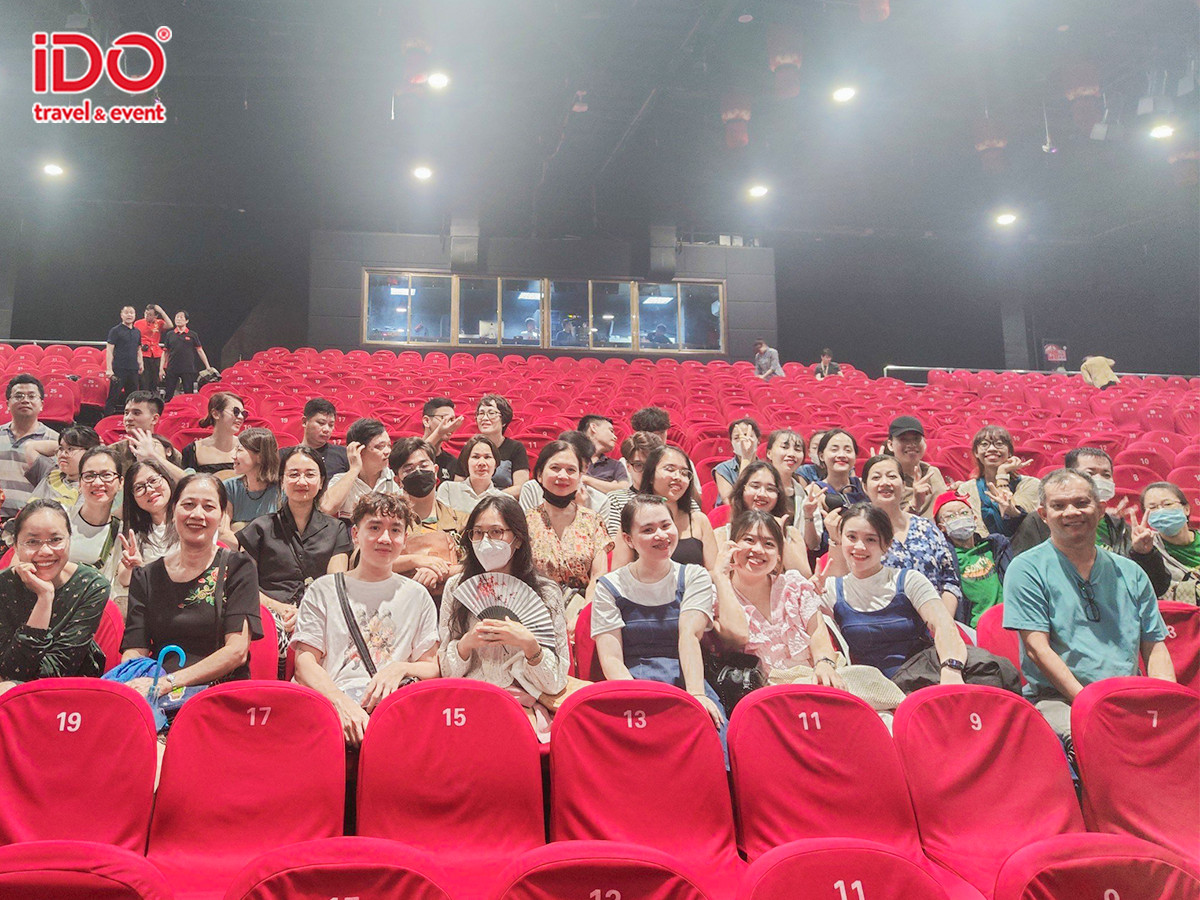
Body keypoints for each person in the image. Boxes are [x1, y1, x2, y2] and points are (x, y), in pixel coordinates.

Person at [1002, 469, 1173, 744]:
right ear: (1043, 515)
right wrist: (1089, 702)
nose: (1071, 512)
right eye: (1059, 506)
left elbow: (1154, 646)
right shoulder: (1026, 569)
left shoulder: (1131, 572)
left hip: (1129, 694)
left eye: (1081, 503)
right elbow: (1037, 649)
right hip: (1062, 698)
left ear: (1101, 510)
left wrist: (1167, 701)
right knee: (1098, 742)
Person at [291, 492, 440, 747]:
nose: (385, 538)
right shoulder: (323, 589)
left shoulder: (417, 595)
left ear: (405, 539)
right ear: (355, 534)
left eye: (395, 530)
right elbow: (305, 663)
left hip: (393, 711)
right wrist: (339, 702)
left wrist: (400, 668)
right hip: (332, 707)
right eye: (374, 527)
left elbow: (431, 666)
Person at [592, 495, 737, 732]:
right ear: (628, 539)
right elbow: (611, 659)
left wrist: (696, 695)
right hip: (633, 687)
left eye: (666, 525)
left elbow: (689, 635)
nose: (661, 535)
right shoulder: (610, 586)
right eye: (648, 530)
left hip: (688, 678)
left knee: (713, 738)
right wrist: (641, 700)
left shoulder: (694, 576)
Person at [120, 474, 263, 698]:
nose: (197, 514)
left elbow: (236, 651)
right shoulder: (145, 576)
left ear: (222, 516)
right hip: (158, 695)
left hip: (218, 693)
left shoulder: (238, 567)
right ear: (173, 510)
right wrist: (134, 682)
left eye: (208, 507)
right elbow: (135, 650)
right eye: (188, 505)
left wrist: (170, 682)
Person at [439, 495, 569, 740]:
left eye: (496, 532)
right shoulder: (456, 587)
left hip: (522, 706)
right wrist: (466, 644)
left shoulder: (546, 592)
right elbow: (446, 672)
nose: (485, 541)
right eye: (478, 533)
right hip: (468, 703)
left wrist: (530, 646)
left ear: (517, 539)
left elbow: (555, 682)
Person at [237, 447, 352, 674]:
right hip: (269, 612)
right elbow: (244, 585)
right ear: (282, 481)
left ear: (321, 482)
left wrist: (305, 613)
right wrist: (279, 609)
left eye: (310, 474)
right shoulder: (259, 528)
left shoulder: (336, 529)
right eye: (293, 474)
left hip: (319, 612)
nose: (301, 481)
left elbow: (335, 584)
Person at [822, 503, 967, 680]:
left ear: (887, 545)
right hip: (867, 686)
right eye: (851, 537)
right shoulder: (831, 589)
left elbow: (943, 624)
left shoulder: (910, 580)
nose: (859, 546)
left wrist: (951, 670)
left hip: (924, 678)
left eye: (871, 539)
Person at [1009, 447, 1168, 595]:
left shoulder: (1121, 527)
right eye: (1090, 473)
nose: (1099, 480)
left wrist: (1144, 555)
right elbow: (1023, 580)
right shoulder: (1038, 522)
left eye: (1106, 475)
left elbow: (1155, 587)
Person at [717, 510, 840, 684]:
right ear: (732, 546)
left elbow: (817, 633)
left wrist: (824, 664)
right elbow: (738, 635)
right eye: (749, 540)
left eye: (768, 544)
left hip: (812, 681)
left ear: (779, 555)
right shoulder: (718, 595)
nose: (758, 550)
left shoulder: (794, 586)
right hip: (760, 691)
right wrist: (720, 576)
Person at [0, 501, 109, 692]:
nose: (45, 551)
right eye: (32, 541)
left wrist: (45, 598)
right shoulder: (4, 585)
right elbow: (11, 671)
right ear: (16, 546)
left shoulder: (91, 586)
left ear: (69, 540)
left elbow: (60, 668)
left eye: (55, 539)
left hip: (66, 692)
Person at [847, 455, 962, 620]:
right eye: (876, 478)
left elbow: (950, 582)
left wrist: (942, 623)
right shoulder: (857, 535)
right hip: (882, 625)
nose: (885, 482)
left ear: (903, 484)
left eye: (892, 476)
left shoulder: (927, 528)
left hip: (937, 622)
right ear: (865, 487)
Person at [524, 441, 611, 618]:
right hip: (535, 613)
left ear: (580, 476)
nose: (563, 475)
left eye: (571, 470)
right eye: (555, 468)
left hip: (583, 612)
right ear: (539, 474)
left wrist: (581, 616)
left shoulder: (592, 520)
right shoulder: (524, 521)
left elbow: (599, 576)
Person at [612, 444, 715, 569]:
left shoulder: (699, 520)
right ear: (650, 476)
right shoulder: (633, 519)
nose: (678, 477)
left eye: (684, 473)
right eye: (670, 469)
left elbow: (714, 572)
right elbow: (619, 573)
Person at [389, 438, 467, 599]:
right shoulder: (388, 522)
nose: (418, 472)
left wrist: (439, 571)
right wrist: (415, 561)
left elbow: (477, 564)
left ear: (435, 470)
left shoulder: (462, 520)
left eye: (424, 466)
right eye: (409, 469)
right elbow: (368, 561)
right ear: (398, 480)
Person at [931, 490, 1013, 628]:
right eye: (950, 516)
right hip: (976, 628)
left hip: (1010, 620)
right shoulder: (946, 560)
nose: (959, 518)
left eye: (964, 513)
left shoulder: (995, 546)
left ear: (974, 518)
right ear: (941, 528)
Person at [714, 461, 811, 576]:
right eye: (755, 486)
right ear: (742, 490)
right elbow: (716, 575)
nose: (762, 494)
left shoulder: (792, 534)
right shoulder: (722, 534)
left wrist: (780, 537)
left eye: (770, 489)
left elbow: (805, 577)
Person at [957, 425, 1037, 537]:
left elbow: (1013, 516)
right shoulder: (966, 489)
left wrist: (1002, 474)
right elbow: (975, 529)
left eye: (999, 444)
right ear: (976, 452)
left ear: (1010, 452)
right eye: (984, 444)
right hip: (984, 545)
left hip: (1024, 544)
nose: (991, 449)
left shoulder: (1031, 484)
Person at [114, 459, 176, 601]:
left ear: (167, 479)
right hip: (150, 600)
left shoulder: (188, 520)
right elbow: (123, 579)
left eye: (153, 480)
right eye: (139, 488)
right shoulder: (132, 532)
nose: (149, 490)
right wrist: (133, 567)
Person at [800, 429, 868, 557]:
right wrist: (808, 515)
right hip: (829, 557)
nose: (841, 455)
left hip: (864, 553)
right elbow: (812, 544)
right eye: (834, 449)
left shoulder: (865, 487)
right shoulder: (813, 491)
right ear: (821, 456)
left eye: (848, 450)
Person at [67, 447, 124, 596]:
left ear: (120, 482)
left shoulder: (122, 533)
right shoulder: (60, 517)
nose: (97, 482)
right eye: (89, 476)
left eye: (106, 475)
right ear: (80, 483)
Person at [0, 375, 58, 519]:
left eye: (32, 396)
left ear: (42, 404)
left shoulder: (57, 442)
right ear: (7, 404)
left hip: (33, 520)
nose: (25, 400)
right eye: (18, 396)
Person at [320, 418, 399, 518]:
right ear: (358, 450)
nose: (387, 451)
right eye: (380, 447)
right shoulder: (341, 480)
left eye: (389, 445)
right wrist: (354, 469)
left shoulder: (395, 478)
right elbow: (327, 508)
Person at [1140, 482, 1200, 604]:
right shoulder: (1148, 549)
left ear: (1186, 509)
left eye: (1167, 504)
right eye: (1153, 508)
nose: (1161, 511)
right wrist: (1142, 554)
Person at [597, 431, 665, 536]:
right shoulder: (616, 499)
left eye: (652, 465)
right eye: (639, 465)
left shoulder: (672, 496)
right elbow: (614, 541)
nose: (646, 471)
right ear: (628, 467)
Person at [108, 392, 187, 480]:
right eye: (126, 413)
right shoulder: (113, 451)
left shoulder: (172, 453)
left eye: (136, 413)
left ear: (154, 419)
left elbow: (185, 483)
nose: (128, 418)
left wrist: (154, 457)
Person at [884, 416, 947, 518]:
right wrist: (914, 504)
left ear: (924, 443)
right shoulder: (886, 480)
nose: (911, 444)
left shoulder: (933, 472)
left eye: (916, 439)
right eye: (903, 439)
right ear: (890, 445)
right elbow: (888, 523)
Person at [222, 428, 282, 533]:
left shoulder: (283, 489)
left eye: (239, 450)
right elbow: (222, 531)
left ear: (260, 457)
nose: (233, 456)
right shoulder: (229, 487)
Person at [30, 426, 100, 510]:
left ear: (89, 453)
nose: (62, 454)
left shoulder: (94, 487)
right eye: (61, 449)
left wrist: (98, 451)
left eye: (70, 449)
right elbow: (30, 447)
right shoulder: (50, 472)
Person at [472, 394, 529, 493]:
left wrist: (490, 498)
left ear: (504, 421)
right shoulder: (471, 447)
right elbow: (459, 483)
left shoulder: (516, 448)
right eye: (481, 413)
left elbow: (520, 488)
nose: (484, 418)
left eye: (491, 413)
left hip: (504, 499)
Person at [181, 392, 245, 476]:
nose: (241, 417)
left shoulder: (248, 448)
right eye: (235, 412)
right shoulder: (192, 450)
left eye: (244, 413)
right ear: (215, 414)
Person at [437, 435, 505, 514]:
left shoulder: (505, 499)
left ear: (496, 463)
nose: (482, 463)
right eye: (476, 457)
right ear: (467, 462)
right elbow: (443, 520)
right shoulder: (448, 489)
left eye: (487, 457)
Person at [284, 398, 348, 480]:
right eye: (321, 423)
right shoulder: (284, 455)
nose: (326, 429)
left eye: (331, 425)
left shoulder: (344, 455)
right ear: (304, 422)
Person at [159, 310, 212, 400]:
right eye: (177, 317)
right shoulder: (170, 334)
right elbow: (165, 353)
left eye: (181, 317)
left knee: (189, 394)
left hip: (188, 368)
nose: (178, 319)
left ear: (187, 321)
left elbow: (200, 350)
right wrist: (161, 368)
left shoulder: (192, 335)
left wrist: (208, 366)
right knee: (169, 393)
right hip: (172, 368)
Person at [104, 305, 143, 415]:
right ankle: (107, 419)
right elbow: (109, 350)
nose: (129, 315)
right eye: (126, 312)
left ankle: (132, 420)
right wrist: (109, 369)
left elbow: (138, 349)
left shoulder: (137, 332)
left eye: (131, 313)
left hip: (133, 369)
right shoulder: (115, 331)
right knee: (113, 396)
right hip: (119, 369)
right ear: (121, 315)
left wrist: (141, 363)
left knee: (133, 398)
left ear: (135, 315)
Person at [713, 418, 761, 507]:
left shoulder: (767, 469)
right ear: (731, 442)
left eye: (747, 435)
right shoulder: (722, 469)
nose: (743, 441)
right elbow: (732, 503)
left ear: (758, 440)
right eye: (737, 438)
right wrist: (746, 458)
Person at [578, 414, 629, 493]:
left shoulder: (616, 465)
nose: (615, 437)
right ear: (593, 428)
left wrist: (585, 479)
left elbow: (624, 489)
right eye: (611, 431)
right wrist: (609, 486)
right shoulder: (572, 457)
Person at [764, 429, 806, 519]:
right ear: (769, 453)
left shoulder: (802, 492)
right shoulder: (759, 487)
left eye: (797, 449)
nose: (792, 454)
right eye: (784, 447)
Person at [421, 397, 464, 482]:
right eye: (444, 418)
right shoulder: (406, 449)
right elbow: (415, 454)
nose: (450, 424)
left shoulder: (453, 463)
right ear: (426, 421)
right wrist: (439, 433)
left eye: (452, 420)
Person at [134, 303, 171, 392]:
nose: (147, 316)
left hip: (156, 354)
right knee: (144, 381)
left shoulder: (159, 323)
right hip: (143, 354)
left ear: (155, 316)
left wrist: (162, 311)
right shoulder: (138, 323)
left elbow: (170, 325)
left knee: (155, 380)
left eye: (150, 314)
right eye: (146, 313)